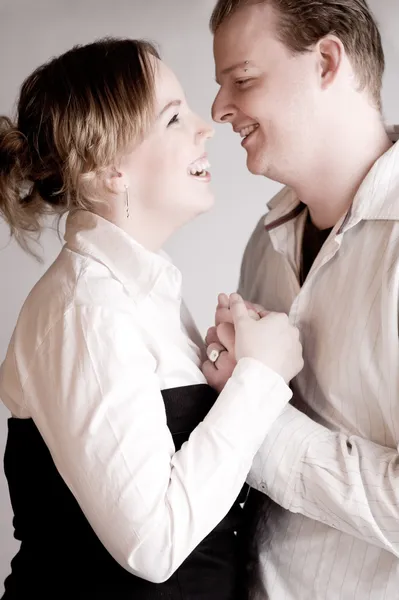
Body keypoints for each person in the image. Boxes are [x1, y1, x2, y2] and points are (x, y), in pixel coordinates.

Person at [0, 37, 303, 599]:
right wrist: (260, 379)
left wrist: (232, 379)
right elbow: (153, 545)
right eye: (172, 117)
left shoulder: (140, 293)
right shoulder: (85, 312)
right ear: (105, 168)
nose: (204, 126)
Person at [204, 0, 399, 598]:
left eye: (242, 79)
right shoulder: (262, 244)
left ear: (326, 62)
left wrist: (254, 408)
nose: (218, 109)